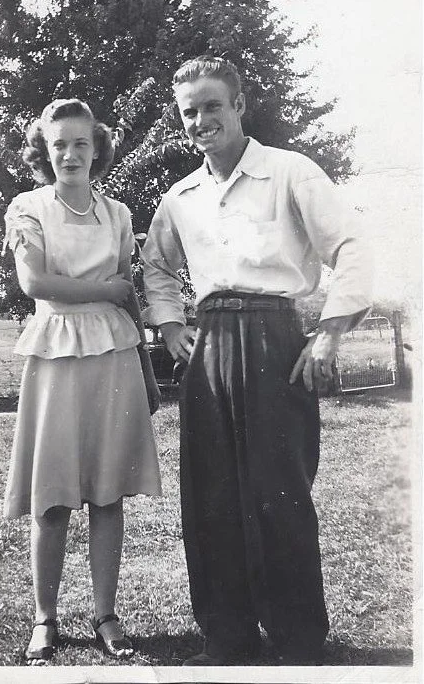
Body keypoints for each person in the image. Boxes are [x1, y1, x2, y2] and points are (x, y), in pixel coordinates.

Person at [141, 56, 373, 666]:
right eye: (189, 111)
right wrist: (169, 326)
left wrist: (327, 336)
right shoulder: (182, 196)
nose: (200, 120)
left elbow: (351, 246)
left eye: (212, 106)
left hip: (275, 341)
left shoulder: (289, 172)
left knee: (279, 495)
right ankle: (229, 638)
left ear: (240, 105)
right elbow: (157, 267)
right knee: (210, 498)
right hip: (210, 346)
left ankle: (298, 641)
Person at [2, 98, 162, 665]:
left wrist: (146, 364)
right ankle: (44, 618)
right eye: (58, 145)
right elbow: (36, 284)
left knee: (107, 492)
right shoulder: (28, 207)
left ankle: (105, 614)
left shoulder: (117, 213)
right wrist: (108, 292)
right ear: (45, 152)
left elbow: (131, 293)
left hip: (115, 354)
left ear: (97, 149)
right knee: (52, 497)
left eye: (80, 144)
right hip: (55, 351)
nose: (70, 154)